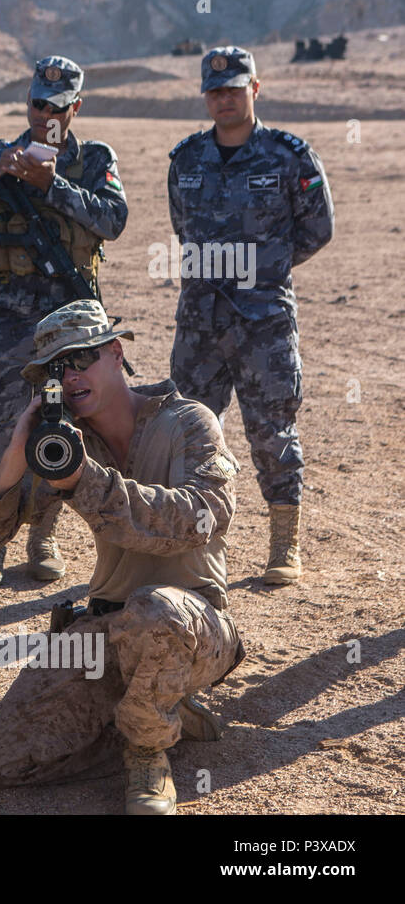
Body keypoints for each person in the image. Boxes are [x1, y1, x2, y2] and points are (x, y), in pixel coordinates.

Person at [0, 301, 246, 815]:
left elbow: (205, 517)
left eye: (79, 359)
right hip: (109, 629)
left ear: (116, 353)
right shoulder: (66, 444)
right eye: (55, 371)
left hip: (193, 628)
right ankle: (159, 707)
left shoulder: (187, 422)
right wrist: (16, 454)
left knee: (155, 610)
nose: (69, 377)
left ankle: (148, 750)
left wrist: (85, 482)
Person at [0, 55, 128, 587]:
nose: (46, 114)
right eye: (37, 104)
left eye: (58, 106)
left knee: (58, 423)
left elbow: (113, 221)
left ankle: (41, 536)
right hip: (2, 318)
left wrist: (54, 186)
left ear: (76, 107)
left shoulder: (94, 158)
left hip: (66, 320)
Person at [168, 46, 333, 585]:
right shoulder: (186, 158)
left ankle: (284, 544)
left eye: (234, 89)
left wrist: (262, 271)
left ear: (255, 89)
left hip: (263, 322)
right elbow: (181, 226)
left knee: (272, 430)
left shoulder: (289, 155)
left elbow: (317, 229)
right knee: (189, 431)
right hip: (200, 322)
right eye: (214, 91)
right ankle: (185, 544)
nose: (223, 98)